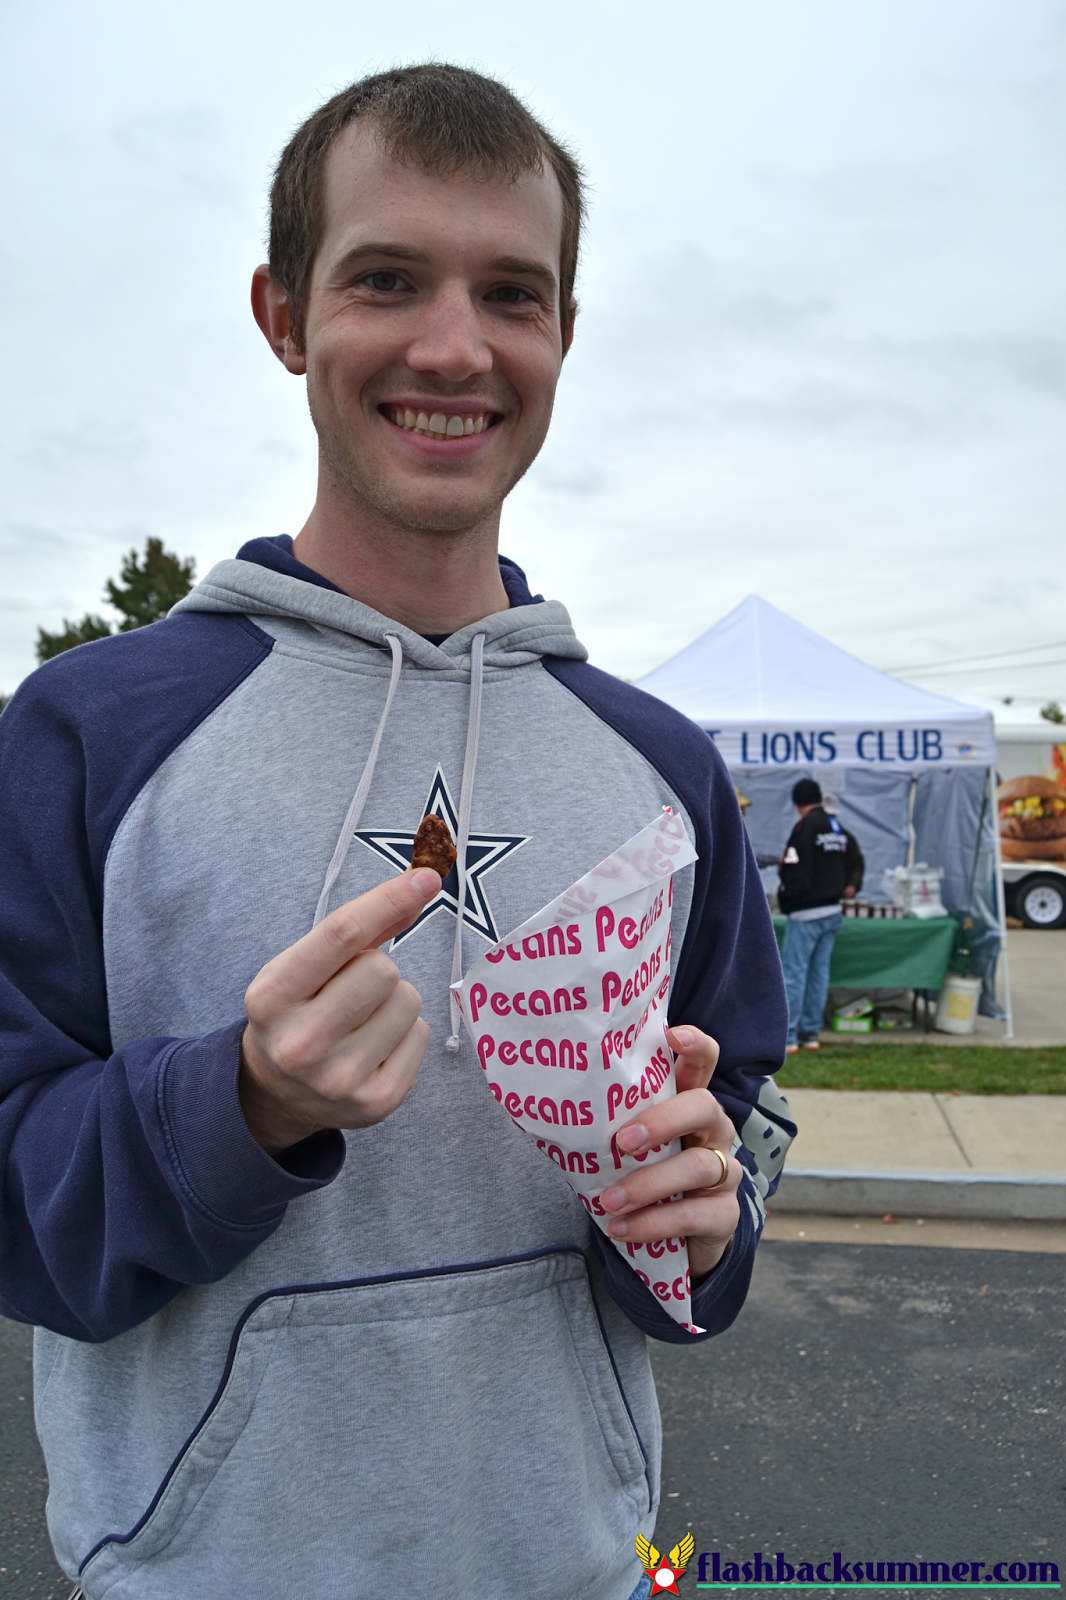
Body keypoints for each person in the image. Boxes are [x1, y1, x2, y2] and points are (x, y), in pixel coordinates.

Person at [0, 66, 793, 1600]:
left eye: (512, 292)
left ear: (561, 334)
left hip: (584, 1564)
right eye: (386, 279)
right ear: (283, 316)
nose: (455, 344)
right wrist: (235, 1103)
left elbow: (736, 1138)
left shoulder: (661, 772)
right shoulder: (84, 734)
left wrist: (708, 1223)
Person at [778, 778, 864, 1053]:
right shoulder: (836, 827)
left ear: (797, 802)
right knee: (819, 973)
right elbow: (856, 857)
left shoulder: (804, 827)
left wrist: (786, 891)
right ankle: (811, 1034)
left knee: (794, 973)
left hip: (806, 912)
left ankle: (789, 1037)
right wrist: (852, 883)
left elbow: (793, 863)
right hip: (833, 910)